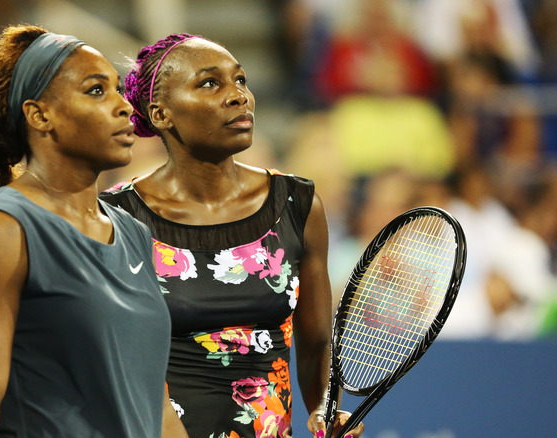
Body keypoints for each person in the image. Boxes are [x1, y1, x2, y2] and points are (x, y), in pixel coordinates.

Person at [0, 25, 187, 437]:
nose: (124, 106)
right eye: (95, 91)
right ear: (39, 115)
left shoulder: (133, 232)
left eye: (119, 90)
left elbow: (157, 408)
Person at [101, 33, 364, 438]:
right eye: (210, 83)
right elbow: (113, 360)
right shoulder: (116, 217)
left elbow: (314, 346)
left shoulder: (298, 204)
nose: (238, 96)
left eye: (240, 80)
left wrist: (325, 411)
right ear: (161, 114)